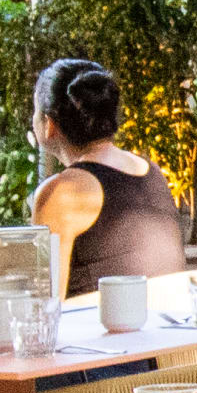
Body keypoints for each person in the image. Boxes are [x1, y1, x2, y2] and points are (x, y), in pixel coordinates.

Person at [28, 58, 187, 297]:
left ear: (49, 124)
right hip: (165, 328)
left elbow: (45, 305)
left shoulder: (63, 193)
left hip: (99, 330)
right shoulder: (152, 172)